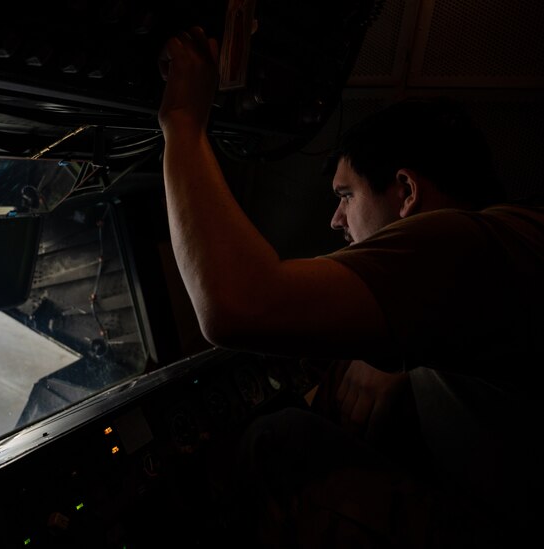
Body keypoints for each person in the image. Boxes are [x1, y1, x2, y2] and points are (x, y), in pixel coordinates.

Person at [157, 26, 544, 547]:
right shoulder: (500, 244)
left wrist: (182, 123)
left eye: (346, 194)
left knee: (279, 443)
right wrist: (409, 364)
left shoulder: (462, 243)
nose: (337, 219)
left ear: (405, 191)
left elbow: (234, 303)